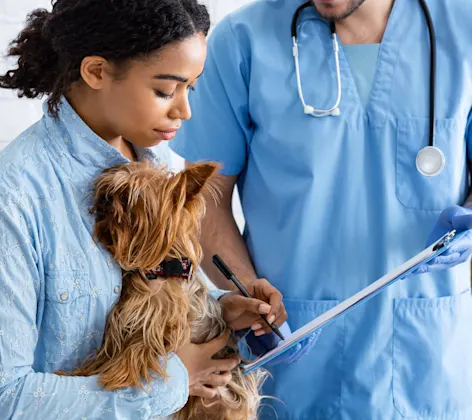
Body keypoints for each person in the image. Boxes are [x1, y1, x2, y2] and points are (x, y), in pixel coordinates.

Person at [170, 0, 472, 418]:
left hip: (425, 354)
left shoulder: (464, 28)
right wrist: (247, 292)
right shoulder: (243, 41)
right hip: (293, 360)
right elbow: (205, 199)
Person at [0, 0, 296, 418]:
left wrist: (217, 310)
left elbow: (154, 291)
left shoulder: (167, 167)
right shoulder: (16, 197)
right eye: (164, 91)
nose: (184, 111)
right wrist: (174, 381)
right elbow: (6, 397)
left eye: (190, 88)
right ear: (97, 71)